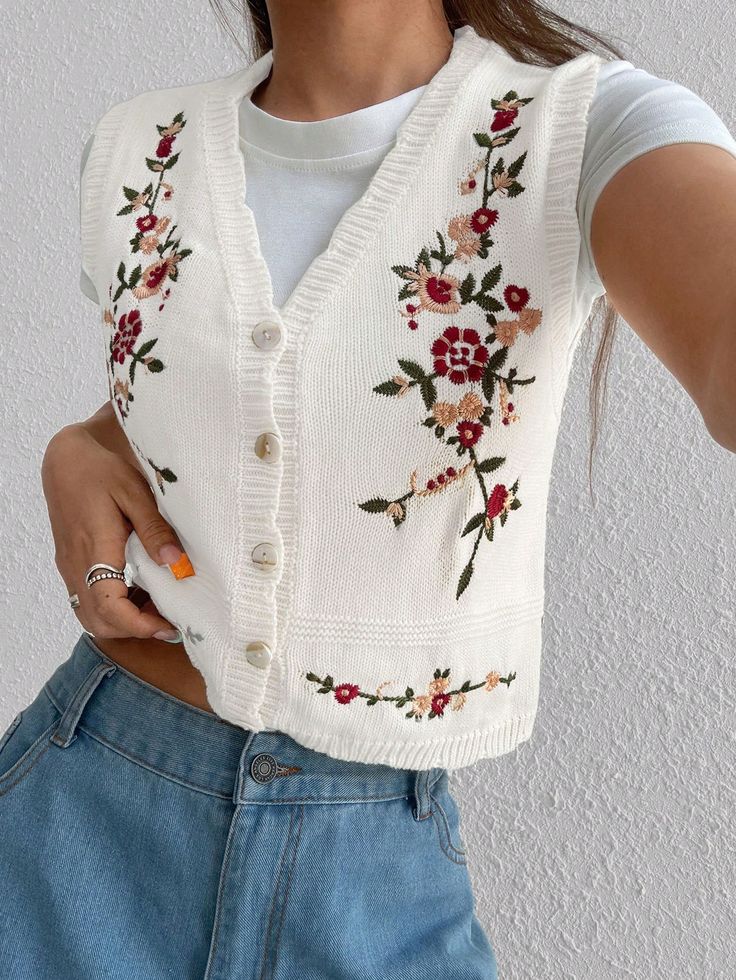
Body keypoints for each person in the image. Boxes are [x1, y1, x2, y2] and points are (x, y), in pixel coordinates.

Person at [2, 1, 735, 977]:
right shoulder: (138, 146)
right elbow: (252, 399)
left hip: (367, 864)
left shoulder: (588, 126)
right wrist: (79, 440)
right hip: (76, 819)